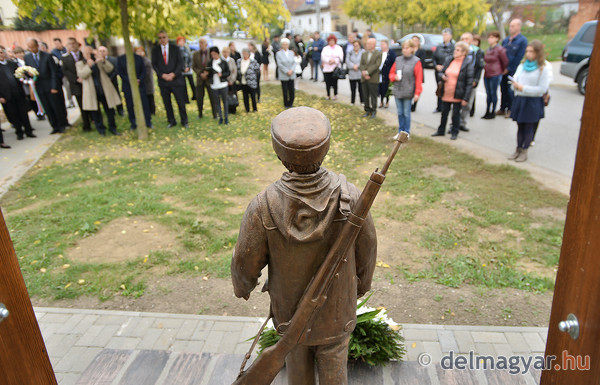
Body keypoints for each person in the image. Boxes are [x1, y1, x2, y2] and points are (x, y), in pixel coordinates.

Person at [231, 106, 377, 385]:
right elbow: (368, 249)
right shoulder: (351, 195)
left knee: (298, 373)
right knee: (335, 371)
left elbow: (245, 261)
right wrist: (362, 284)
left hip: (289, 312)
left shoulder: (262, 206)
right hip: (337, 313)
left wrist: (243, 286)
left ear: (278, 153)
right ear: (326, 149)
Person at [508, 40, 551, 162]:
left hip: (532, 102)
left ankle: (525, 150)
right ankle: (518, 149)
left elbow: (542, 89)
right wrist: (515, 85)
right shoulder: (522, 66)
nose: (528, 54)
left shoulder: (543, 69)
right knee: (520, 126)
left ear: (538, 53)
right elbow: (514, 81)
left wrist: (523, 88)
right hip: (520, 99)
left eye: (531, 51)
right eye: (527, 51)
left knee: (528, 127)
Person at [24, 38, 69, 134]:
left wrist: (54, 87)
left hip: (49, 85)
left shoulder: (47, 56)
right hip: (39, 87)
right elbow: (27, 71)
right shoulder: (27, 57)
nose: (31, 49)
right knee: (47, 107)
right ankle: (54, 126)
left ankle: (61, 125)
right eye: (29, 48)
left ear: (37, 46)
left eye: (33, 47)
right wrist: (29, 74)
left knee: (55, 106)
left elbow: (54, 72)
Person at [432, 41, 474, 140]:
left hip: (458, 93)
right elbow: (441, 72)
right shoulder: (449, 59)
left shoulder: (467, 63)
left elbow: (469, 82)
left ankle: (454, 132)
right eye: (455, 49)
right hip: (446, 92)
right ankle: (441, 130)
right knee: (444, 113)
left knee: (455, 114)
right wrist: (442, 76)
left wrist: (466, 98)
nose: (455, 52)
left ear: (464, 52)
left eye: (458, 50)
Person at [76, 46, 121, 136]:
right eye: (87, 54)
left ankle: (113, 128)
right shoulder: (80, 64)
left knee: (109, 110)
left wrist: (103, 61)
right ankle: (101, 130)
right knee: (95, 112)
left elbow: (110, 69)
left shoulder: (99, 61)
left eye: (91, 53)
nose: (89, 55)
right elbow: (82, 75)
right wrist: (89, 66)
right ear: (83, 55)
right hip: (92, 92)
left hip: (103, 89)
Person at [152, 30, 188, 128]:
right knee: (167, 103)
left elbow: (180, 63)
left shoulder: (175, 48)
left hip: (176, 80)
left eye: (164, 37)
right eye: (160, 38)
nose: (162, 39)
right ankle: (171, 121)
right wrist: (162, 75)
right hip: (163, 82)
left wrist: (173, 74)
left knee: (180, 102)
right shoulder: (155, 50)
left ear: (167, 38)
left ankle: (184, 121)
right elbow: (154, 65)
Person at [0, 45, 35, 140]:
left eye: (2, 52)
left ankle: (29, 131)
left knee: (23, 112)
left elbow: (21, 74)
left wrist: (27, 75)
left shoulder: (12, 63)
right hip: (7, 95)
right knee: (13, 114)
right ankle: (19, 132)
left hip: (18, 92)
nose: (1, 55)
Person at [389, 39, 423, 136]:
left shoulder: (416, 61)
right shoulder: (398, 60)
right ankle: (400, 131)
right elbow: (391, 73)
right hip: (398, 90)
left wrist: (417, 92)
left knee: (406, 113)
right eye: (403, 48)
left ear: (412, 49)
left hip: (408, 91)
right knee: (400, 113)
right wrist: (393, 77)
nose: (404, 50)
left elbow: (419, 78)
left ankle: (406, 132)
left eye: (407, 48)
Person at [117, 47, 152, 130]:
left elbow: (143, 71)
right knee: (130, 105)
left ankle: (148, 122)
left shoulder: (139, 58)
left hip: (140, 85)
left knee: (144, 104)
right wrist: (131, 81)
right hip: (127, 86)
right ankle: (133, 123)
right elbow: (120, 72)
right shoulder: (120, 59)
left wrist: (139, 79)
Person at [498, 19, 528, 117]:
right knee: (503, 89)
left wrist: (509, 68)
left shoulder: (522, 40)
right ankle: (503, 108)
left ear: (519, 27)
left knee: (510, 90)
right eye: (510, 26)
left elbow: (519, 57)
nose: (511, 28)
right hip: (502, 70)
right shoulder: (506, 40)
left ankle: (511, 109)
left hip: (512, 70)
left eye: (513, 26)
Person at [62, 38, 92, 131]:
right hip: (76, 85)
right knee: (82, 105)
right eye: (69, 44)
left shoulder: (84, 55)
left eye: (73, 43)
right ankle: (86, 125)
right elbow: (65, 71)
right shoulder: (65, 58)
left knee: (91, 103)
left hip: (87, 82)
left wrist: (83, 77)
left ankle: (94, 119)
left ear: (77, 44)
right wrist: (76, 79)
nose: (72, 45)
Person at [459, 32, 484, 132]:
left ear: (471, 40)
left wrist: (476, 80)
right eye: (463, 39)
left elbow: (479, 67)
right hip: (459, 81)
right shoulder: (457, 50)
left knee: (468, 104)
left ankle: (463, 122)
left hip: (470, 81)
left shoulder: (477, 52)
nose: (465, 41)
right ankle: (454, 123)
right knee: (457, 105)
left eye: (467, 39)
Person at [482, 31, 508, 119]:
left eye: (492, 37)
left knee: (493, 93)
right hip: (487, 73)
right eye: (489, 37)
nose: (490, 39)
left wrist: (502, 70)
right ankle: (487, 110)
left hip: (495, 73)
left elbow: (505, 61)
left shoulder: (500, 49)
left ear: (497, 39)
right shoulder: (488, 49)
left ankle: (493, 111)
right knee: (488, 93)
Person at [192, 38, 216, 119]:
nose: (201, 44)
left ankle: (215, 114)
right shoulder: (195, 54)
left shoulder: (211, 53)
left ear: (206, 44)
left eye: (203, 43)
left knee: (212, 97)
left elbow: (214, 64)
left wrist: (207, 73)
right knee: (199, 98)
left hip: (209, 79)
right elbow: (194, 66)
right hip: (199, 79)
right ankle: (200, 114)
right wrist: (200, 73)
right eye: (200, 43)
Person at [432, 28, 454, 113]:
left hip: (447, 71)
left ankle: (447, 106)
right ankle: (439, 107)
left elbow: (452, 59)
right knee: (439, 87)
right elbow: (434, 58)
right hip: (438, 71)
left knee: (448, 89)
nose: (444, 37)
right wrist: (436, 65)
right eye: (443, 35)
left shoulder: (453, 47)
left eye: (446, 35)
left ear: (450, 36)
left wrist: (445, 67)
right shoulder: (439, 46)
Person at [360, 38, 382, 118]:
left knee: (373, 96)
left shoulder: (378, 54)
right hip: (364, 78)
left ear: (373, 45)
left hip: (373, 78)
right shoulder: (364, 53)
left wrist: (367, 72)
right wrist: (363, 72)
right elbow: (361, 64)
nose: (367, 45)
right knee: (365, 95)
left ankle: (373, 111)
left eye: (369, 43)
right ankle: (367, 110)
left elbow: (376, 65)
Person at [208, 46, 230, 124]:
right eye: (212, 55)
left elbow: (228, 72)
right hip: (214, 85)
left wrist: (222, 75)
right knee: (217, 102)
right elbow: (208, 73)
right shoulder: (210, 63)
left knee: (225, 101)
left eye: (215, 54)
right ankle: (220, 117)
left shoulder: (223, 62)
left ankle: (226, 117)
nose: (213, 56)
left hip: (223, 84)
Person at [101, 47, 125, 117]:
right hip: (103, 83)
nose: (102, 53)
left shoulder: (113, 59)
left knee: (117, 95)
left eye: (103, 51)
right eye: (100, 51)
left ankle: (120, 110)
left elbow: (116, 69)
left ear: (107, 52)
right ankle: (111, 111)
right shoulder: (97, 61)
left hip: (113, 80)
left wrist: (110, 78)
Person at [51, 37, 74, 108]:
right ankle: (70, 101)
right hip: (63, 73)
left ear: (61, 43)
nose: (56, 45)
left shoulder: (66, 49)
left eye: (57, 43)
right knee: (67, 87)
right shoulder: (54, 52)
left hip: (71, 71)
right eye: (55, 44)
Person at [321, 34, 344, 100]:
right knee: (327, 82)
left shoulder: (338, 48)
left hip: (335, 68)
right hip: (327, 67)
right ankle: (328, 95)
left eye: (333, 41)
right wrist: (329, 60)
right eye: (330, 41)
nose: (331, 42)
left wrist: (335, 61)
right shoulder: (325, 48)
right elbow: (323, 57)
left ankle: (335, 94)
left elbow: (341, 57)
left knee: (335, 83)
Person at [237, 48, 260, 113]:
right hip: (243, 82)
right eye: (243, 54)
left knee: (253, 96)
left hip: (251, 82)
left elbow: (257, 70)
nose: (244, 55)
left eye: (246, 54)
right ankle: (247, 109)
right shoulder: (239, 61)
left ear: (249, 54)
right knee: (245, 96)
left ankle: (254, 109)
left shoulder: (253, 61)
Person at [135, 46, 156, 116]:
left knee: (150, 97)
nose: (139, 53)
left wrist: (140, 78)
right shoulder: (135, 61)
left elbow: (147, 72)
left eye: (141, 51)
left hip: (147, 82)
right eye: (137, 51)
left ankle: (152, 111)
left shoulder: (146, 61)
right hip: (140, 83)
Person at [276, 38, 296, 108]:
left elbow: (294, 63)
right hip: (284, 74)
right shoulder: (278, 54)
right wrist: (287, 71)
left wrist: (291, 70)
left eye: (286, 44)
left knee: (292, 90)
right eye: (283, 44)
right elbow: (280, 64)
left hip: (291, 74)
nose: (285, 46)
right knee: (285, 90)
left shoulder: (291, 53)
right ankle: (286, 104)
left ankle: (291, 103)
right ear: (282, 45)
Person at [177, 36, 195, 103]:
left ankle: (195, 96)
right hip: (182, 71)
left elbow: (190, 58)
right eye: (180, 41)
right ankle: (185, 99)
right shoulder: (177, 50)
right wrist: (182, 68)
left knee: (192, 84)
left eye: (182, 41)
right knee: (183, 86)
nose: (181, 42)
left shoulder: (186, 49)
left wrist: (189, 67)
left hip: (188, 70)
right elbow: (177, 61)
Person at [378, 40, 396, 108]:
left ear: (387, 45)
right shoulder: (379, 53)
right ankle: (381, 101)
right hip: (380, 73)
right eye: (381, 44)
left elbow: (394, 62)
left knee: (387, 87)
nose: (382, 46)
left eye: (383, 44)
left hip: (388, 73)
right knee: (381, 87)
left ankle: (387, 101)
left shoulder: (391, 53)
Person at [410, 34, 425, 112]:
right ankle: (409, 103)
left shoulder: (421, 51)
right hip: (410, 73)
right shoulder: (410, 50)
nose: (414, 42)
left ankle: (414, 105)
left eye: (416, 40)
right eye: (413, 40)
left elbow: (422, 62)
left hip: (418, 72)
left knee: (417, 89)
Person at [346, 40, 364, 105]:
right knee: (353, 89)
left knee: (361, 89)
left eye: (357, 45)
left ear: (359, 46)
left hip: (360, 73)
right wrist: (353, 66)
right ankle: (352, 101)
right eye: (354, 45)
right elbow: (347, 61)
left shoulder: (363, 52)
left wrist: (357, 66)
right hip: (352, 73)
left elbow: (363, 61)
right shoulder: (350, 52)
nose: (355, 47)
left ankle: (362, 101)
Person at [222, 46, 238, 115]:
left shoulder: (231, 60)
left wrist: (231, 80)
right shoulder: (221, 61)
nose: (226, 53)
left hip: (232, 81)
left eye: (227, 52)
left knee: (233, 94)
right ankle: (227, 108)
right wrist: (226, 81)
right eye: (224, 52)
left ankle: (233, 108)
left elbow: (234, 71)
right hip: (224, 81)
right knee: (226, 96)